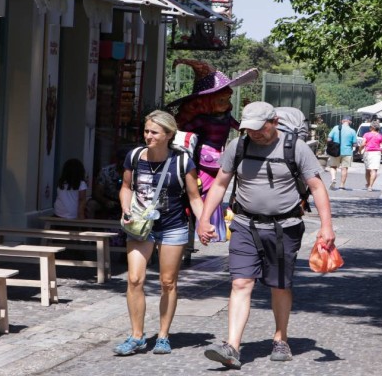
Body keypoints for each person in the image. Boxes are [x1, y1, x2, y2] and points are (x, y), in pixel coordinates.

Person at [197, 101, 336, 369]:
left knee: (280, 285)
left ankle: (280, 339)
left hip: (285, 227)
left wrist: (326, 226)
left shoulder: (295, 147)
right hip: (244, 225)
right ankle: (232, 347)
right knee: (240, 283)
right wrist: (204, 219)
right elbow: (220, 184)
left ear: (273, 121)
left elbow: (317, 188)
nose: (255, 134)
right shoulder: (238, 146)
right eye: (249, 129)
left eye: (259, 128)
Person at [114, 110, 205, 356]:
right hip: (140, 226)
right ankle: (136, 336)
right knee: (134, 279)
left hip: (173, 226)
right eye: (146, 131)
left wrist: (204, 222)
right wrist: (125, 208)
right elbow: (125, 187)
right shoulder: (134, 157)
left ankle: (163, 336)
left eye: (154, 132)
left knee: (167, 282)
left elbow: (194, 198)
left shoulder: (183, 162)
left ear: (168, 134)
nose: (148, 136)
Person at [166, 59, 259, 241]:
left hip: (220, 157)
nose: (226, 103)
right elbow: (184, 128)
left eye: (227, 99)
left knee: (215, 194)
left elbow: (240, 127)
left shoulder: (225, 117)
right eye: (221, 100)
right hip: (204, 159)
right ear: (207, 101)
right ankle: (206, 227)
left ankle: (214, 229)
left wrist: (248, 112)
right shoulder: (203, 119)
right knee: (204, 193)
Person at [326, 116, 357, 190]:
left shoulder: (335, 128)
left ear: (341, 121)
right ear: (350, 122)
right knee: (344, 169)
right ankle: (342, 185)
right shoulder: (352, 131)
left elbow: (329, 139)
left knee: (333, 166)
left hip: (335, 151)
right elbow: (355, 144)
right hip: (347, 151)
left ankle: (333, 178)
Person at [359, 120, 382, 191]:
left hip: (368, 153)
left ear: (372, 127)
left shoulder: (366, 134)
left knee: (368, 170)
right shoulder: (380, 136)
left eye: (370, 127)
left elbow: (363, 144)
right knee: (374, 170)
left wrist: (359, 150)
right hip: (377, 153)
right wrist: (381, 151)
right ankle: (370, 186)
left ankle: (368, 183)